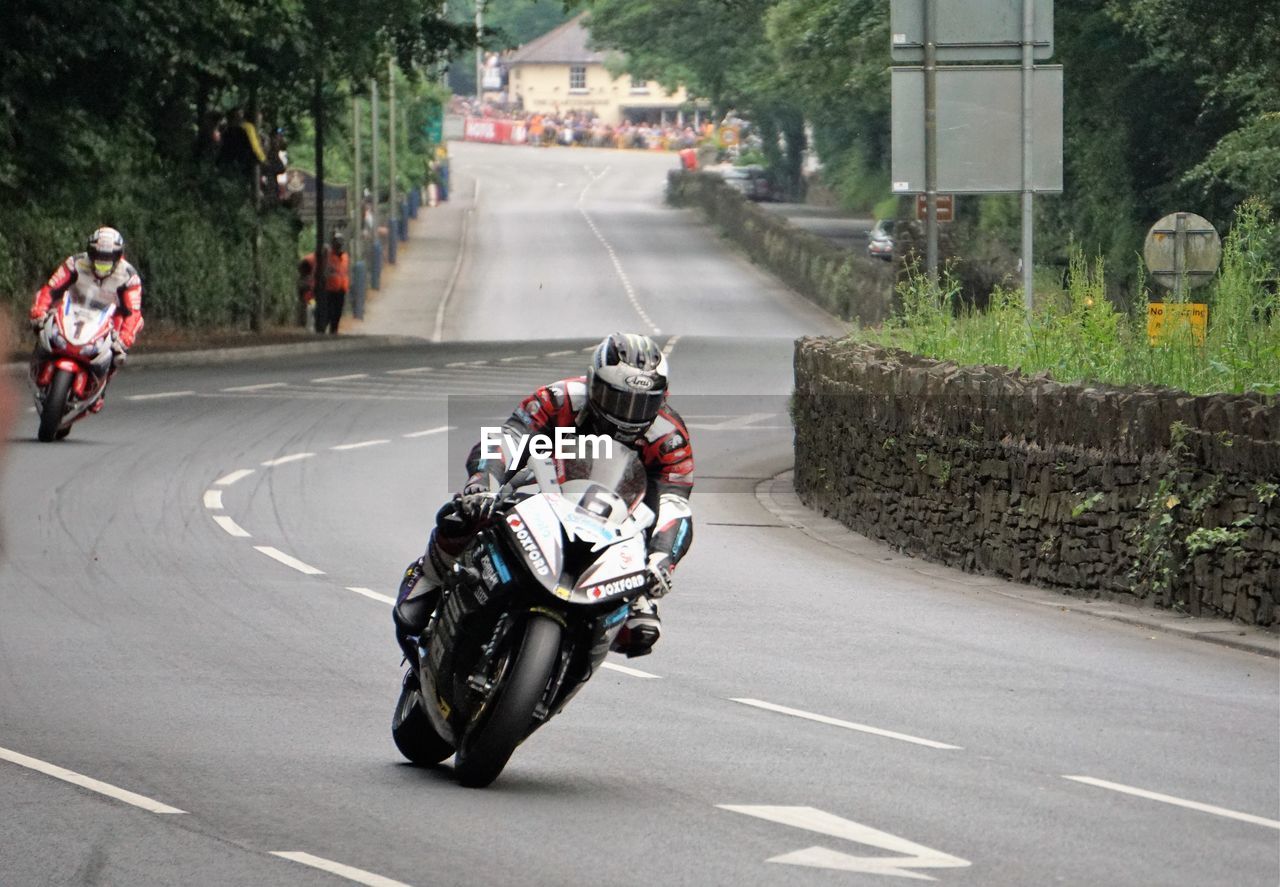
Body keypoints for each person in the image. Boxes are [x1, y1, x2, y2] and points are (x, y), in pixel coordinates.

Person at [394, 332, 694, 663]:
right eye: (619, 399)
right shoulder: (559, 398)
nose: (629, 414)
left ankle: (628, 602)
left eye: (643, 403)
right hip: (540, 491)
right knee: (464, 514)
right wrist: (482, 485)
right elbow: (506, 439)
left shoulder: (669, 437)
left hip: (614, 521)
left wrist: (661, 558)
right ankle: (429, 575)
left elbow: (674, 504)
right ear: (594, 385)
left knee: (642, 629)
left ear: (662, 398)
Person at [28, 227, 143, 413]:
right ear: (90, 252)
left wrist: (124, 340)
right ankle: (40, 363)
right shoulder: (75, 263)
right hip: (72, 309)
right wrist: (38, 312)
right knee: (42, 325)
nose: (102, 263)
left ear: (118, 256)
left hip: (108, 318)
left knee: (117, 351)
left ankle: (101, 388)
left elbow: (133, 313)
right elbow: (51, 289)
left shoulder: (129, 276)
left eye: (108, 258)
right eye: (98, 256)